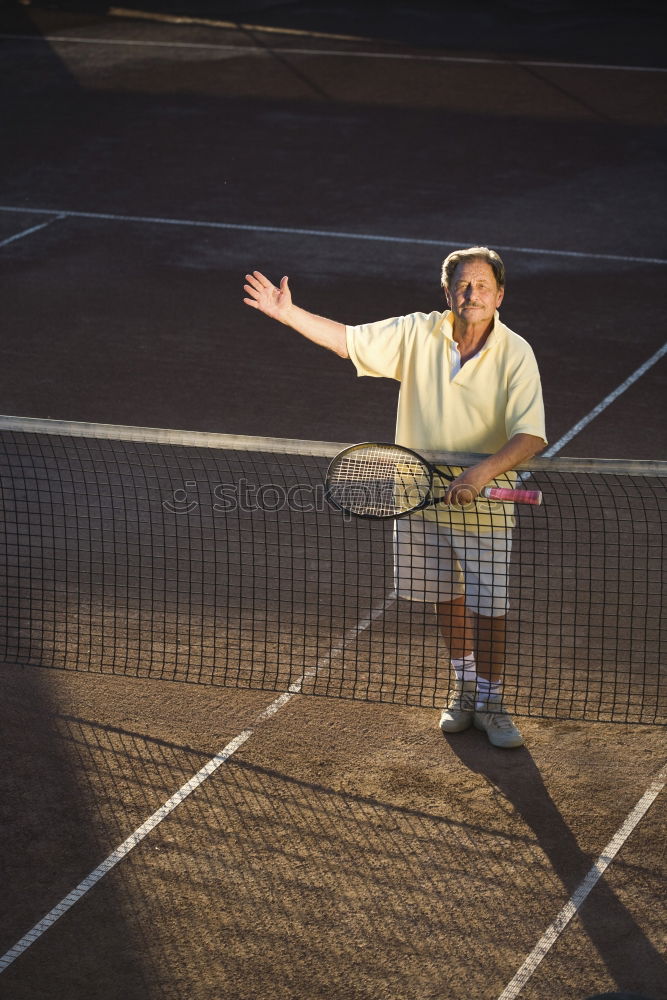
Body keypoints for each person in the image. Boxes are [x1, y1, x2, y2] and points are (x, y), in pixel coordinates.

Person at [243, 247, 546, 748]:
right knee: (444, 596)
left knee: (490, 608)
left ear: (500, 295)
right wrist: (287, 312)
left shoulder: (517, 353)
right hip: (419, 499)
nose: (472, 295)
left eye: (483, 286)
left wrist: (479, 473)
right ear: (446, 292)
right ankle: (466, 689)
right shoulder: (417, 333)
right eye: (463, 286)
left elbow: (530, 436)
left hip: (485, 508)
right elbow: (347, 342)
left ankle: (492, 701)